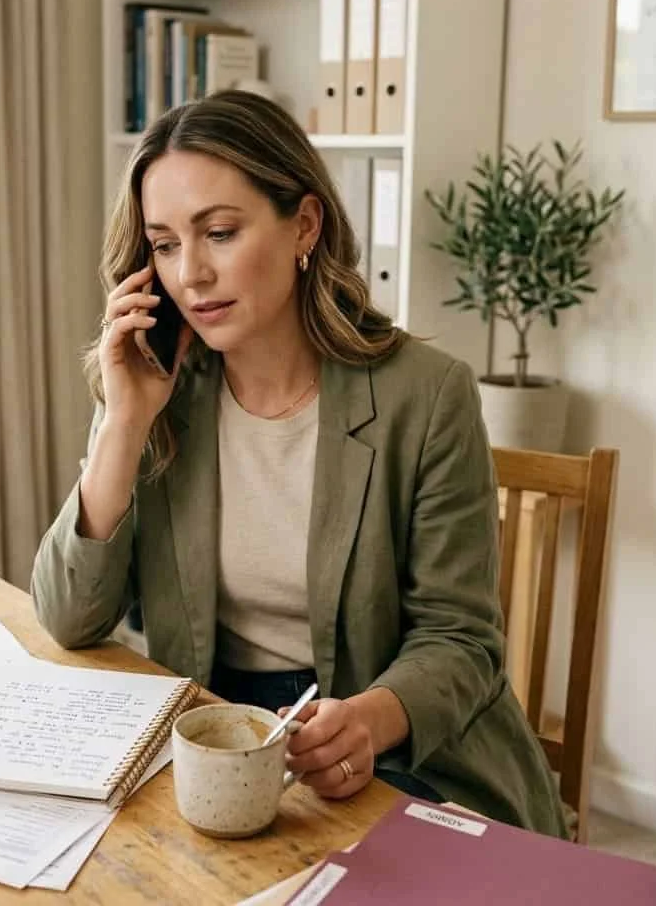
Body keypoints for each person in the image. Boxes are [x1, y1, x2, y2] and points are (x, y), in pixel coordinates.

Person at [30, 89, 568, 839]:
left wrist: (372, 720)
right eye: (163, 245)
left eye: (218, 232)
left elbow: (462, 640)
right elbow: (68, 617)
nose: (190, 274)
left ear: (304, 226)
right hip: (217, 735)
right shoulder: (151, 385)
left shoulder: (427, 393)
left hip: (400, 743)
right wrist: (123, 424)